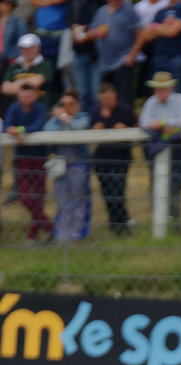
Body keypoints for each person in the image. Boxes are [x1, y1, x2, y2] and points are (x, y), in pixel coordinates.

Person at [139, 70, 181, 229]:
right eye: (157, 88)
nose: (159, 92)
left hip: (177, 150)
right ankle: (160, 223)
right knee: (155, 187)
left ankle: (174, 224)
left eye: (162, 88)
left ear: (171, 88)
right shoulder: (151, 102)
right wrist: (165, 124)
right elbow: (143, 122)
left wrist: (162, 122)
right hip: (156, 150)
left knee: (175, 188)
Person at [3, 83, 53, 243]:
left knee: (38, 197)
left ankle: (32, 236)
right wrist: (12, 130)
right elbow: (6, 126)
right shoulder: (14, 108)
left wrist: (20, 130)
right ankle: (50, 227)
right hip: (22, 158)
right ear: (19, 96)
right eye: (23, 96)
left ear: (36, 95)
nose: (26, 99)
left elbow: (38, 125)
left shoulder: (41, 108)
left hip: (40, 158)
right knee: (24, 196)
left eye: (29, 96)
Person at [43, 89, 92, 242]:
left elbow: (79, 127)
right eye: (64, 104)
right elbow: (47, 129)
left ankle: (77, 235)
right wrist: (60, 118)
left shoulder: (83, 117)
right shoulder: (56, 120)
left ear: (77, 105)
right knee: (63, 202)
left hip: (79, 164)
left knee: (78, 200)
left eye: (71, 104)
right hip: (61, 166)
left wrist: (64, 117)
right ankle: (63, 237)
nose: (67, 107)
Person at [91, 81, 137, 235]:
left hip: (120, 158)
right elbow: (90, 132)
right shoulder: (97, 111)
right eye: (103, 99)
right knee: (106, 194)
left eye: (108, 98)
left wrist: (126, 130)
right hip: (101, 159)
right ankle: (114, 224)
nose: (106, 102)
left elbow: (138, 128)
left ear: (115, 95)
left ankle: (123, 224)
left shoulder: (125, 110)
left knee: (118, 192)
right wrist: (96, 129)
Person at [88, 0, 141, 106]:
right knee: (105, 98)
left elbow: (140, 32)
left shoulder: (128, 10)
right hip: (104, 63)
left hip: (123, 61)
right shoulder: (101, 11)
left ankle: (125, 117)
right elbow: (91, 33)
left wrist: (132, 54)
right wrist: (97, 32)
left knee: (123, 99)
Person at [2, 35, 56, 108]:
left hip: (40, 106)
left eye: (29, 48)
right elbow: (5, 88)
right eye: (23, 48)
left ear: (38, 48)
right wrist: (28, 84)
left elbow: (37, 82)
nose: (26, 51)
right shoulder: (14, 65)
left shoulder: (45, 64)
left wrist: (18, 83)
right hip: (17, 108)